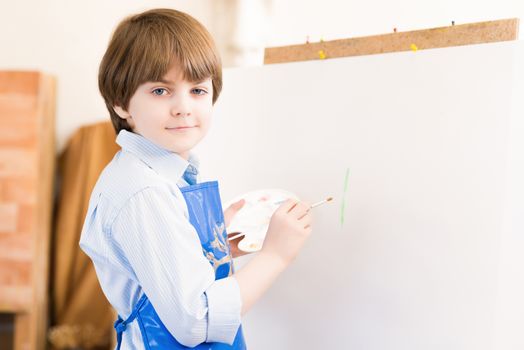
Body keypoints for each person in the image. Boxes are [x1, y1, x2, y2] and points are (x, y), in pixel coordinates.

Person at [79, 8, 313, 349]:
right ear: (120, 103)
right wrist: (276, 255)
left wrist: (211, 253)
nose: (183, 107)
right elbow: (196, 321)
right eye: (161, 91)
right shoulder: (143, 190)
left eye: (198, 91)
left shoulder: (162, 173)